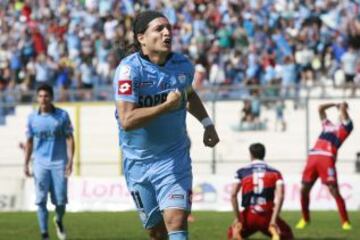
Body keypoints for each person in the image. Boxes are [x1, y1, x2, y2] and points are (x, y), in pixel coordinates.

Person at [113, 11, 219, 240]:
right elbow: (127, 120)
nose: (167, 32)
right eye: (159, 28)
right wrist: (165, 106)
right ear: (141, 38)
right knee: (157, 231)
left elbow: (188, 95)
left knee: (176, 221)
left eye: (168, 27)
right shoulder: (128, 71)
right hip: (137, 162)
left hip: (173, 157)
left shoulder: (182, 65)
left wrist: (207, 123)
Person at [24, 84, 75, 240]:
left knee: (60, 201)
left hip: (59, 163)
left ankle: (58, 220)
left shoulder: (62, 116)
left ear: (51, 97)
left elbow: (70, 138)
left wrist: (71, 160)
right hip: (40, 164)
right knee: (40, 201)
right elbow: (29, 142)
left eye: (46, 96)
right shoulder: (32, 118)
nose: (43, 99)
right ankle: (44, 234)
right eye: (40, 96)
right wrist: (25, 163)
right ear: (37, 98)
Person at [296, 102, 353, 230]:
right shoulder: (327, 125)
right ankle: (305, 219)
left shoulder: (347, 127)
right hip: (313, 156)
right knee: (304, 189)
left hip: (327, 158)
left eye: (342, 113)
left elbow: (344, 111)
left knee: (333, 190)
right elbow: (320, 108)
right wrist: (335, 104)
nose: (340, 114)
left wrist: (342, 106)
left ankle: (345, 221)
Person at [228, 143, 293, 240]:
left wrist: (238, 218)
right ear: (264, 154)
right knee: (288, 235)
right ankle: (275, 233)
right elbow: (281, 196)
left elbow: (233, 195)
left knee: (231, 233)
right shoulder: (275, 172)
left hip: (248, 215)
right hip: (267, 215)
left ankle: (238, 234)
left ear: (251, 155)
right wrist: (274, 219)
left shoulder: (241, 172)